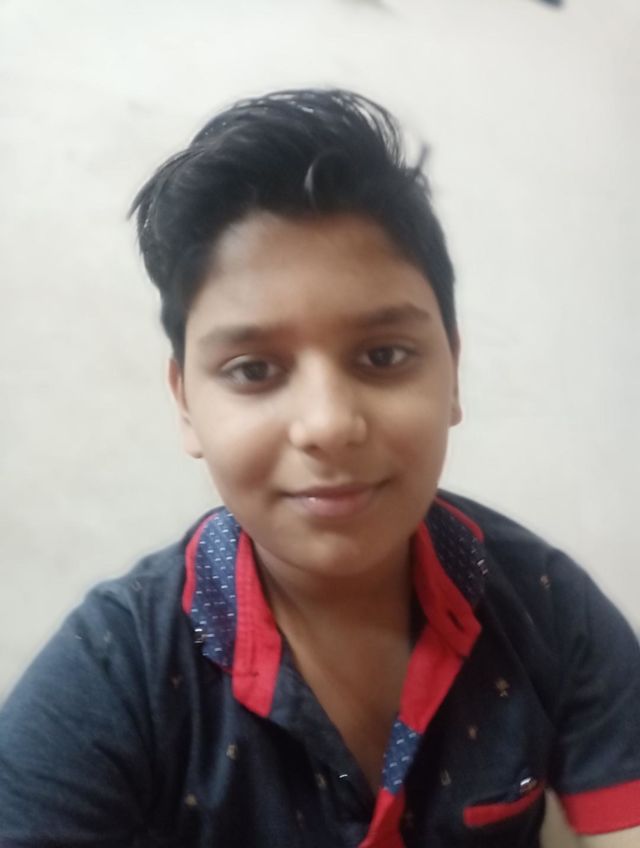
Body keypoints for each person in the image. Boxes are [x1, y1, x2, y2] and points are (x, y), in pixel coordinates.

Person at [0, 89, 638, 848]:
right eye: (254, 369)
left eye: (383, 356)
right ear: (185, 404)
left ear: (452, 373)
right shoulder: (117, 669)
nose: (329, 425)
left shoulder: (544, 603)